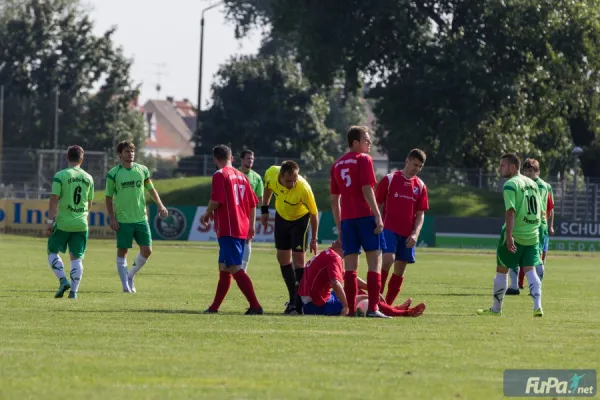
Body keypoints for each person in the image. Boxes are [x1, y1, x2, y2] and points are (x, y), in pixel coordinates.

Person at [330, 125, 386, 318]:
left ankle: (352, 310)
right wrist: (378, 215)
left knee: (350, 267)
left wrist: (339, 226)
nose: (369, 143)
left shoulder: (336, 165)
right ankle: (373, 309)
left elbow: (334, 200)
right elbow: (366, 188)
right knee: (374, 262)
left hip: (347, 221)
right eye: (366, 140)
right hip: (365, 217)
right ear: (355, 143)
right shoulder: (364, 159)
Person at [477, 153, 543, 317]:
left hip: (516, 234)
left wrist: (509, 236)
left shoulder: (510, 184)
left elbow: (511, 212)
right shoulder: (533, 184)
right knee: (531, 271)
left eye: (502, 165)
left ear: (513, 167)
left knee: (501, 270)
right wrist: (535, 231)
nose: (500, 168)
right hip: (532, 236)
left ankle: (496, 309)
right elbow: (540, 211)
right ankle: (537, 307)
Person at [202, 145, 263, 315]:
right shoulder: (243, 176)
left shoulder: (220, 175)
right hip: (240, 227)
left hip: (229, 228)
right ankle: (214, 308)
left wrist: (207, 213)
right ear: (232, 158)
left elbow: (216, 200)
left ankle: (256, 306)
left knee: (235, 268)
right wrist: (251, 225)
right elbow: (253, 203)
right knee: (224, 268)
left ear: (215, 159)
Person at [298, 239, 426, 317]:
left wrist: (371, 289)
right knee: (363, 299)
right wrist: (347, 305)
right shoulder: (334, 258)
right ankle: (404, 313)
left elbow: (347, 278)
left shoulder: (329, 253)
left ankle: (393, 309)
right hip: (316, 305)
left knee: (358, 291)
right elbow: (336, 283)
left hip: (313, 300)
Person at [105, 140, 168, 293]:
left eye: (132, 151)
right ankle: (125, 286)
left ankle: (130, 276)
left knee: (147, 250)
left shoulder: (143, 170)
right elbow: (108, 197)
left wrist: (160, 204)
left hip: (141, 218)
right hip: (123, 219)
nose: (131, 154)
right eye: (127, 151)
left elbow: (151, 190)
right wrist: (112, 218)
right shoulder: (113, 173)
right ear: (120, 154)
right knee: (123, 251)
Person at [261, 160, 319, 315]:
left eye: (295, 179)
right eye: (289, 180)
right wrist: (264, 209)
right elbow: (268, 188)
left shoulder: (303, 188)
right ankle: (293, 299)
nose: (292, 183)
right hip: (281, 217)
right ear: (281, 175)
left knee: (299, 260)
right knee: (282, 258)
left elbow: (314, 214)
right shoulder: (272, 173)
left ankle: (298, 304)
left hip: (300, 219)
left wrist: (314, 239)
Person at [375, 149, 429, 305]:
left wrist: (415, 234)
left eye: (419, 167)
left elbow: (420, 214)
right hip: (389, 229)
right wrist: (377, 221)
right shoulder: (390, 179)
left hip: (407, 234)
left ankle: (387, 305)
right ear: (407, 160)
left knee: (400, 269)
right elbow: (376, 203)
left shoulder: (420, 186)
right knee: (387, 260)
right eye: (414, 164)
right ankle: (375, 300)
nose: (416, 169)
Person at [46, 145, 94, 299]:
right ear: (82, 159)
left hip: (63, 223)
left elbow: (54, 199)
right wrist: (85, 218)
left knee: (52, 251)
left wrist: (49, 221)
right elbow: (89, 202)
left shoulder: (60, 176)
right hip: (81, 223)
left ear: (67, 157)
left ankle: (63, 280)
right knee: (76, 258)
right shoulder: (88, 178)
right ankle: (74, 292)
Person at [507, 158, 554, 294]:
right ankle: (520, 286)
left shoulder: (535, 186)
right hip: (536, 223)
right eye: (526, 170)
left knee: (527, 256)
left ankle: (518, 286)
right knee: (532, 256)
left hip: (532, 224)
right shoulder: (542, 185)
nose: (527, 173)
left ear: (537, 172)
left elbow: (540, 207)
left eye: (531, 171)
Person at [239, 149, 264, 271]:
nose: (250, 160)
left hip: (248, 215)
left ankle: (243, 270)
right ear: (242, 159)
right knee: (233, 240)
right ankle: (231, 267)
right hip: (235, 213)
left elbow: (259, 199)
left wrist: (264, 212)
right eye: (248, 158)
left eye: (252, 158)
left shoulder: (257, 178)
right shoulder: (235, 174)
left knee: (248, 240)